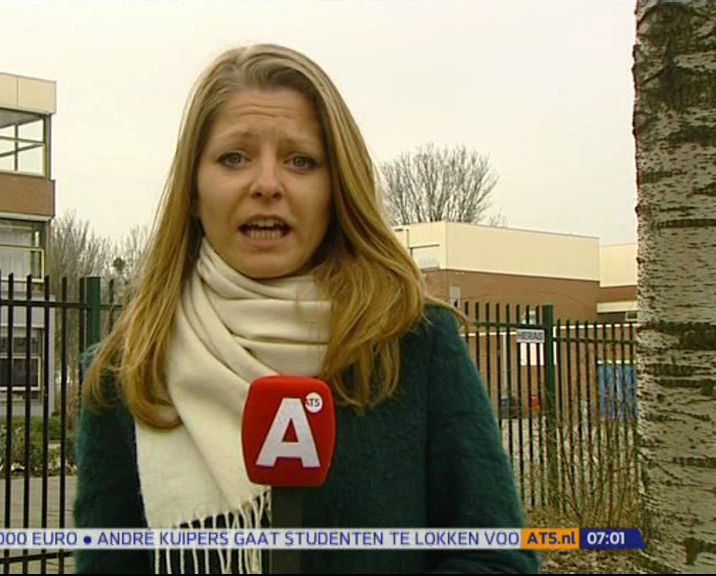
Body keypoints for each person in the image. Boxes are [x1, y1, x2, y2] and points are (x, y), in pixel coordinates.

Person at [75, 43, 538, 574]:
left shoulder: (413, 343)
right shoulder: (127, 371)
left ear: (336, 188)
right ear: (194, 192)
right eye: (234, 158)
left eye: (300, 161)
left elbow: (497, 557)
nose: (267, 185)